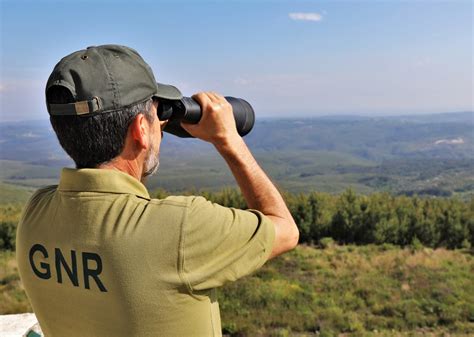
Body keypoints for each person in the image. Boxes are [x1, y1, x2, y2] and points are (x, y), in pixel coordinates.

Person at [16, 44, 299, 337]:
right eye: (156, 114)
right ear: (140, 129)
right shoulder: (182, 227)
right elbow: (285, 229)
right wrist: (228, 140)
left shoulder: (36, 214)